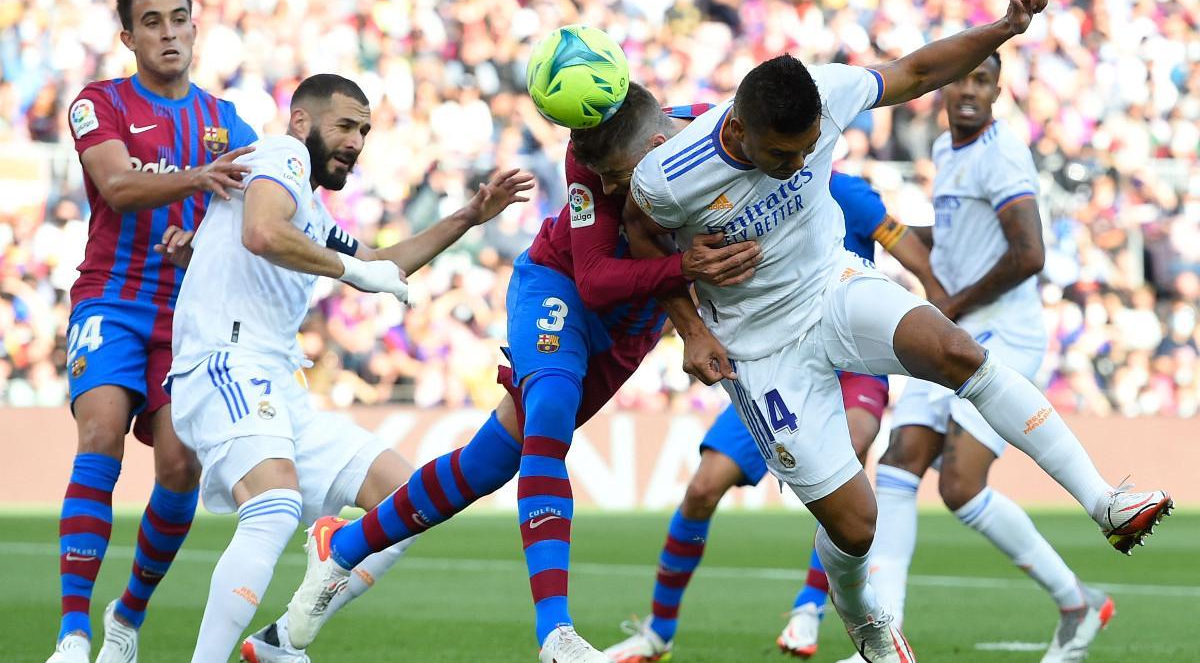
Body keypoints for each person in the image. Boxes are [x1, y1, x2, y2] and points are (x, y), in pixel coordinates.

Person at [622, 0, 1171, 660]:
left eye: (806, 151)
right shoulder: (669, 176)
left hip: (831, 286)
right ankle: (870, 627)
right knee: (855, 525)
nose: (800, 166)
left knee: (956, 350)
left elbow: (914, 71)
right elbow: (640, 231)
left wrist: (1003, 27)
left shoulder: (823, 93)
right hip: (759, 351)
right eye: (784, 156)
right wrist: (690, 324)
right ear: (737, 132)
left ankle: (1104, 501)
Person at [282, 84, 761, 663]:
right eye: (604, 175)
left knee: (489, 463)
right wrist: (684, 270)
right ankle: (556, 634)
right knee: (551, 414)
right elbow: (595, 278)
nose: (609, 186)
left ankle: (344, 543)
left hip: (631, 328)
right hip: (560, 284)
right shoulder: (586, 154)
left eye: (617, 175)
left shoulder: (720, 137)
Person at [164, 72, 533, 663]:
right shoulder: (281, 154)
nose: (357, 141)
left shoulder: (309, 209)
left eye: (364, 130)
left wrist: (467, 217)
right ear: (303, 122)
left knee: (409, 501)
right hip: (224, 362)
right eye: (345, 126)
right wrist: (356, 274)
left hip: (279, 382)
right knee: (275, 505)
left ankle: (282, 641)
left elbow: (381, 260)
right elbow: (263, 233)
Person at [604, 172, 944, 663]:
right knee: (702, 489)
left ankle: (809, 607)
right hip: (774, 366)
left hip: (850, 364)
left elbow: (916, 257)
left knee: (849, 452)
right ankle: (658, 632)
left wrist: (942, 324)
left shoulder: (848, 192)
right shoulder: (737, 191)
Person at [857, 54, 1113, 663]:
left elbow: (1029, 254)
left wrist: (952, 303)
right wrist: (890, 231)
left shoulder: (1001, 155)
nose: (969, 90)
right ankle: (887, 642)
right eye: (961, 79)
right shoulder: (949, 150)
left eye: (982, 80)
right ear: (943, 86)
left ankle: (1076, 604)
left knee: (961, 485)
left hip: (1000, 330)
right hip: (954, 329)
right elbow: (959, 233)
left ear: (998, 90)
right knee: (898, 465)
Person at [51, 0, 256, 661]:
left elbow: (255, 226)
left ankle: (125, 616)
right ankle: (73, 633)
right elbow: (117, 186)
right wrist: (201, 179)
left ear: (195, 28)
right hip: (111, 298)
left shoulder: (229, 123)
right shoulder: (99, 103)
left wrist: (201, 248)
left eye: (178, 19)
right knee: (101, 430)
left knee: (179, 465)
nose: (168, 34)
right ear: (128, 38)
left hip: (187, 316)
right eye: (150, 23)